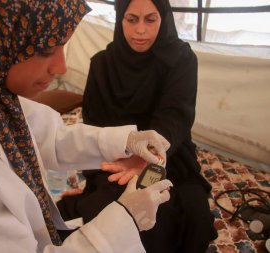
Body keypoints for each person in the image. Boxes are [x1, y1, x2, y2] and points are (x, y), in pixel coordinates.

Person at [0, 0, 174, 252]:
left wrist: (126, 141)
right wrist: (126, 218)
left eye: (63, 44)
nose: (61, 67)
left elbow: (46, 135)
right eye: (47, 48)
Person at [57, 0, 218, 252]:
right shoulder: (102, 64)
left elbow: (175, 115)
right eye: (132, 19)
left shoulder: (181, 59)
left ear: (163, 19)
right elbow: (94, 126)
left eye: (150, 20)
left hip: (169, 153)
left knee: (192, 213)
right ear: (121, 19)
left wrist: (151, 156)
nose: (140, 30)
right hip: (118, 158)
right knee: (116, 214)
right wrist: (127, 156)